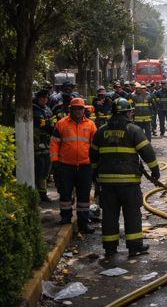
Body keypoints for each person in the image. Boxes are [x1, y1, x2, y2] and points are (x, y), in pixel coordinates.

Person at [90, 99, 159, 258]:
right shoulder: (133, 130)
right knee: (132, 213)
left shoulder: (100, 131)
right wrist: (155, 171)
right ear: (127, 113)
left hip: (107, 183)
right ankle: (134, 247)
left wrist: (95, 177)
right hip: (129, 182)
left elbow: (93, 156)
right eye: (130, 111)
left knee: (109, 214)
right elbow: (147, 152)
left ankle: (109, 248)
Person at [50, 98, 97, 233]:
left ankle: (83, 223)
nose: (78, 111)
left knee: (84, 196)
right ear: (70, 109)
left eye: (80, 108)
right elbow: (54, 144)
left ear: (84, 110)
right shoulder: (61, 124)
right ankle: (65, 218)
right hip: (65, 166)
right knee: (65, 194)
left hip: (85, 166)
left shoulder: (90, 125)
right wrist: (55, 161)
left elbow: (95, 146)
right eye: (75, 108)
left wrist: (95, 164)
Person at [33, 89, 54, 203]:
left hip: (47, 142)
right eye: (43, 98)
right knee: (40, 166)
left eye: (46, 98)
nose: (45, 100)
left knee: (46, 166)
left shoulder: (46, 109)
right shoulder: (34, 109)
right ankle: (40, 192)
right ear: (38, 98)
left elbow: (50, 122)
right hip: (37, 142)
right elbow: (42, 124)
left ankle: (43, 192)